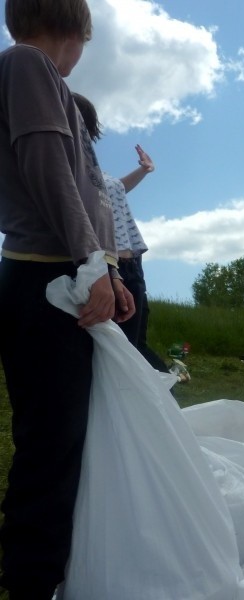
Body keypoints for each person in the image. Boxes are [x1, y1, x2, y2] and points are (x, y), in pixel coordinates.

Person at [0, 1, 136, 596]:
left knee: (74, 440)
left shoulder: (43, 78)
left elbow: (83, 186)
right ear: (77, 28)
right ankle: (30, 582)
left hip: (72, 279)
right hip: (44, 281)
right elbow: (47, 167)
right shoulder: (27, 64)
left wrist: (108, 266)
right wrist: (90, 260)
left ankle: (56, 573)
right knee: (50, 448)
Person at [72, 93, 169, 372]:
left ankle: (160, 396)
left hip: (131, 264)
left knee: (136, 340)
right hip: (103, 264)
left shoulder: (97, 175)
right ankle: (161, 394)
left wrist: (145, 170)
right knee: (120, 348)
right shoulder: (69, 169)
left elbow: (118, 188)